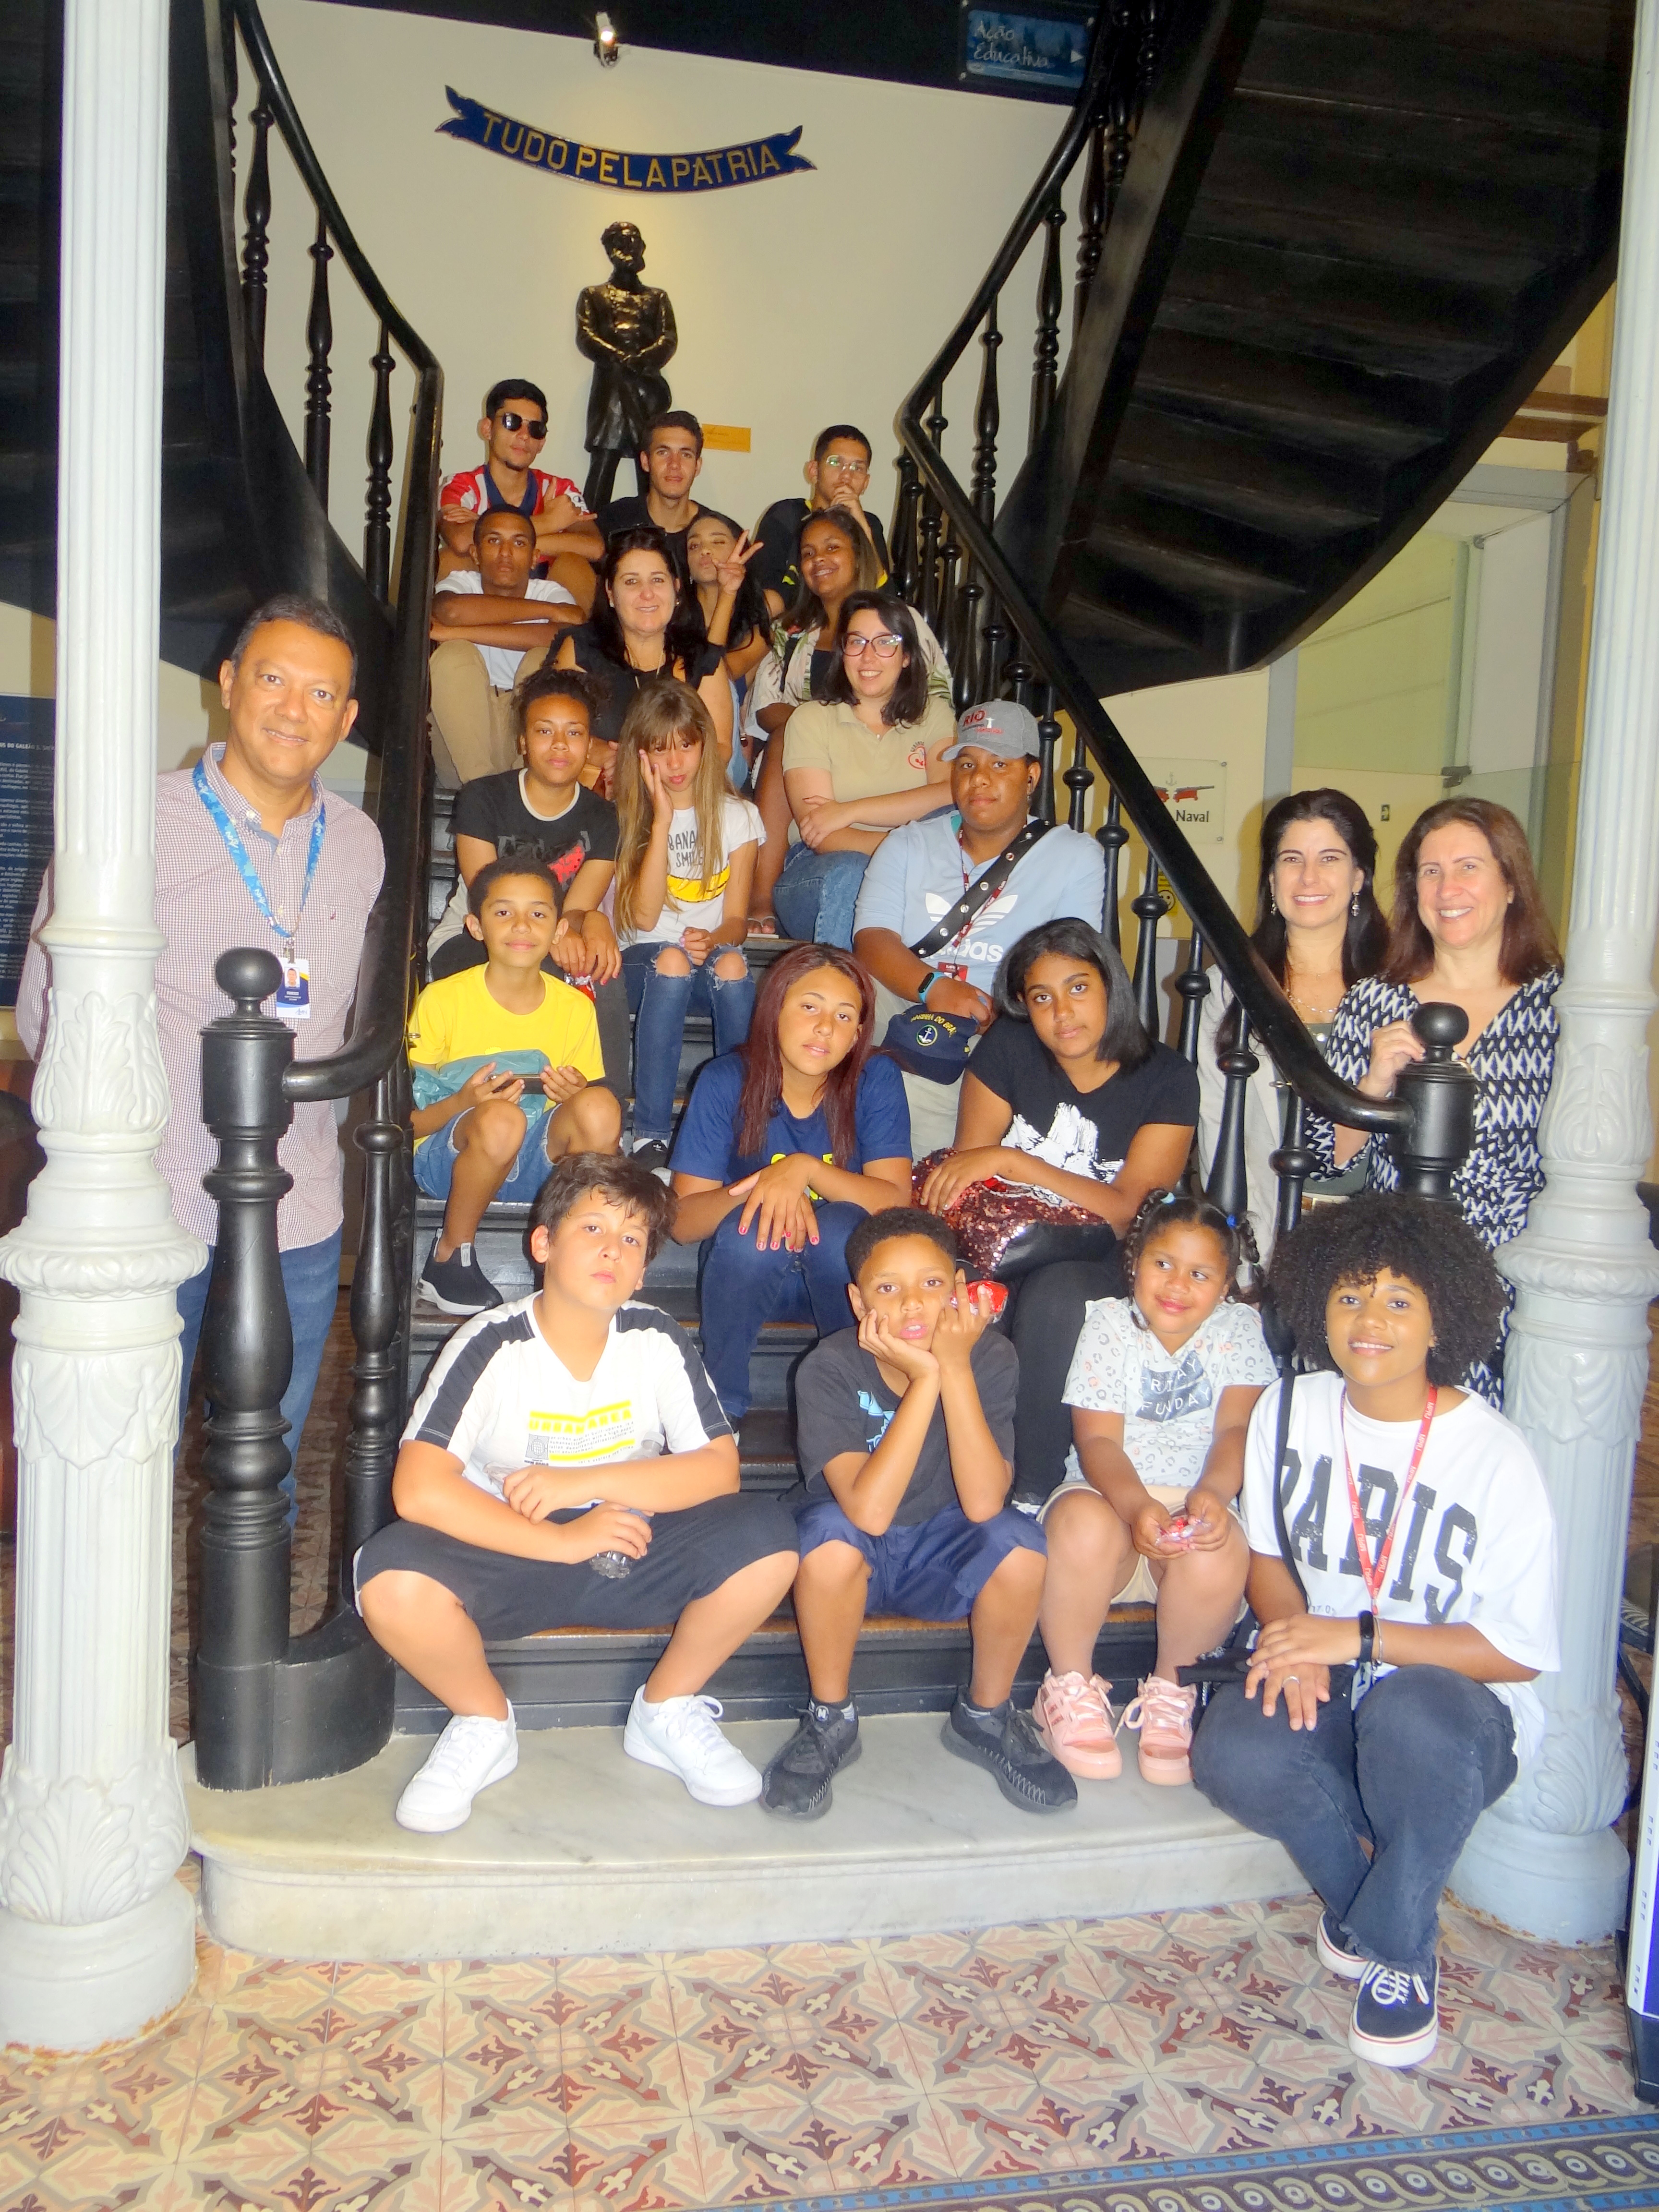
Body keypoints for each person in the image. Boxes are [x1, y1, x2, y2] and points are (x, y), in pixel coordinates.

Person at [16, 595, 383, 1504]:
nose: (293, 709)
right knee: (121, 1469)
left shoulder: (361, 844)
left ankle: (243, 1647)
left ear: (347, 718)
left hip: (298, 1214)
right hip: (154, 1210)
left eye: (321, 693)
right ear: (227, 684)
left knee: (269, 1470)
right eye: (272, 678)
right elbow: (46, 1018)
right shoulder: (128, 827)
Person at [1191, 1194, 1558, 2070]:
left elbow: (1517, 1650)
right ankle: (1373, 1892)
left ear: (1443, 1318)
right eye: (1351, 1295)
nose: (1369, 1321)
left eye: (1399, 1301)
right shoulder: (1290, 1408)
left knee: (1413, 1719)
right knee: (1232, 1753)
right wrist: (1289, 1634)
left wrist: (1353, 1637)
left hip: (1455, 1708)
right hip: (1334, 1668)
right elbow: (1270, 1554)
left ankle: (1400, 1951)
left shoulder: (1494, 1453)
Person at [355, 1155, 800, 1832]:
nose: (611, 1251)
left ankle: (667, 1708)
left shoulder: (654, 1336)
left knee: (768, 1540)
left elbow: (718, 1470)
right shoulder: (491, 1343)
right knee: (389, 1580)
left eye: (631, 1240)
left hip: (632, 1542)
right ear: (543, 1244)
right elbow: (419, 1487)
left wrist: (585, 1485)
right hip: (518, 1549)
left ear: (644, 1268)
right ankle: (483, 1721)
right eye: (592, 1228)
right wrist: (560, 1537)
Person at [764, 1208, 1073, 1820]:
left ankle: (985, 1716)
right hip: (857, 1552)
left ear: (959, 1289)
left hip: (942, 1549)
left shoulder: (990, 1358)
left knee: (1020, 1543)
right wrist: (924, 1380)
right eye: (888, 1288)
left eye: (932, 1285)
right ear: (857, 1301)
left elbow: (986, 1502)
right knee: (828, 1539)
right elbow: (869, 1513)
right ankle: (830, 1718)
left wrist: (951, 1368)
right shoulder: (828, 1368)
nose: (912, 1305)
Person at [921, 920, 1199, 1507]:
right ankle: (942, 1483)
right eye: (1042, 997)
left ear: (1111, 989)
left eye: (1078, 988)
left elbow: (1131, 1214)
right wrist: (994, 1168)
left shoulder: (1167, 1077)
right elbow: (966, 1180)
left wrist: (1016, 1161)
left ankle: (1031, 1491)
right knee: (959, 1288)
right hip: (1003, 1240)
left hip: (1101, 1253)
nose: (1062, 1013)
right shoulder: (1009, 1049)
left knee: (1059, 1296)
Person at [1309, 798, 1562, 1403]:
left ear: (1510, 884)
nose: (1448, 888)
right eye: (1430, 871)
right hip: (1399, 1275)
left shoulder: (1560, 1007)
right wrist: (1373, 1084)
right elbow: (1325, 1162)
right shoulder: (1374, 1001)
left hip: (1520, 1272)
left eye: (1469, 867)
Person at [1033, 1191, 1275, 1787]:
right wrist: (1139, 1504)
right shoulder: (1110, 1325)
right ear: (1136, 1262)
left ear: (1224, 1286)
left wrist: (1214, 1495)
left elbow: (1238, 1429)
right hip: (1110, 1498)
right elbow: (1099, 1446)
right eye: (1163, 1263)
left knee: (1220, 1550)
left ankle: (1173, 1691)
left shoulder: (1240, 1329)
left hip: (1194, 1500)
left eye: (1200, 1273)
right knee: (1082, 1527)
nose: (1176, 1284)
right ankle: (1067, 1683)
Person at [669, 946, 912, 1422]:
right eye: (809, 1007)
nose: (826, 1027)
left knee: (843, 1225)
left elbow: (894, 1202)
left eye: (845, 1016)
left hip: (843, 1279)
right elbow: (682, 1222)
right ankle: (723, 1408)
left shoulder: (875, 1078)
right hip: (751, 1268)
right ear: (774, 1007)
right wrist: (768, 1185)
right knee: (751, 1226)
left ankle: (857, 1403)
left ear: (858, 1033)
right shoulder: (725, 1079)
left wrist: (806, 1169)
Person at [854, 698, 1106, 1156]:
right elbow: (872, 939)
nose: (980, 778)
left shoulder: (1074, 855)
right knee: (848, 986)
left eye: (1000, 764)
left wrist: (1008, 1014)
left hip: (1006, 1021)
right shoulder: (907, 843)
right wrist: (935, 987)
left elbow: (1072, 963)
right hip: (913, 1006)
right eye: (967, 764)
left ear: (1031, 776)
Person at [410, 854, 621, 1313]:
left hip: (532, 1165)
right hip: (450, 1160)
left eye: (539, 914)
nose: (522, 926)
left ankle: (579, 1255)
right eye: (503, 912)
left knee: (600, 1105)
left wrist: (575, 1095)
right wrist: (464, 1102)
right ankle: (449, 1256)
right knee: (501, 1118)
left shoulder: (575, 1008)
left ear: (559, 930)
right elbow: (408, 1121)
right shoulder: (442, 999)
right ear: (475, 925)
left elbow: (585, 1118)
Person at [1197, 791, 1387, 1260]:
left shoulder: (1399, 986)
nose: (1309, 877)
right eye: (1291, 859)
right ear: (1271, 875)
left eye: (1330, 858)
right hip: (1270, 1239)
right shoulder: (1229, 989)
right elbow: (1216, 1133)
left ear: (1359, 875)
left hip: (1380, 1240)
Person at [427, 666, 629, 1094]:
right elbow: (490, 901)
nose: (559, 745)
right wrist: (563, 930)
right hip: (476, 936)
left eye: (574, 734)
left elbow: (577, 907)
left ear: (590, 744)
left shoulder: (604, 818)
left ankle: (604, 1106)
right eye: (544, 731)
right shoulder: (484, 797)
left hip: (550, 935)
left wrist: (592, 923)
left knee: (603, 967)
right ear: (523, 742)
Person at [612, 681, 763, 1172]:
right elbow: (643, 918)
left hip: (703, 961)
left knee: (736, 964)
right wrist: (661, 822)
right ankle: (650, 1135)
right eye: (660, 749)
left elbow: (737, 920)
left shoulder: (739, 817)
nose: (675, 763)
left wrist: (712, 940)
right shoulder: (629, 816)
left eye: (685, 745)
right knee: (672, 959)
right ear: (642, 755)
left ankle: (741, 1122)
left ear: (705, 746)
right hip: (640, 967)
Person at [773, 592, 957, 949]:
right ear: (843, 654)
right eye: (857, 642)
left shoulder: (934, 715)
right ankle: (841, 997)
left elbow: (949, 792)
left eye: (886, 642)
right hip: (818, 871)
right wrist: (908, 854)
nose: (868, 656)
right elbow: (820, 834)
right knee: (853, 873)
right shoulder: (812, 719)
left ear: (906, 657)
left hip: (911, 872)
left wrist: (851, 811)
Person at [555, 526, 734, 780]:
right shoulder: (581, 649)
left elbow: (721, 748)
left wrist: (647, 767)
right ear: (610, 594)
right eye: (631, 581)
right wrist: (608, 756)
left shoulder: (703, 659)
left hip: (679, 797)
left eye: (658, 580)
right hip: (598, 798)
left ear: (677, 588)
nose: (647, 593)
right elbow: (556, 728)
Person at [428, 510, 583, 786]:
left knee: (543, 658)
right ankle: (484, 796)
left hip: (526, 739)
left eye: (519, 543)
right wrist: (551, 612)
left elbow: (561, 636)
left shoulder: (550, 592)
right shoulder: (461, 583)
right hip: (464, 740)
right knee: (453, 656)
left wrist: (454, 633)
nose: (506, 553)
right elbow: (451, 611)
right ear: (475, 554)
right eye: (494, 541)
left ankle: (518, 790)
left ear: (535, 557)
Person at [439, 377, 602, 604]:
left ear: (542, 442)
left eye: (535, 429)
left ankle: (566, 641)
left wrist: (491, 537)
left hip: (544, 600)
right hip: (480, 602)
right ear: (487, 429)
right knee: (450, 559)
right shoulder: (461, 485)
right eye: (512, 422)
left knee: (574, 564)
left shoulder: (560, 489)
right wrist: (549, 523)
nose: (524, 436)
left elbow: (594, 547)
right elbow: (459, 539)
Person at [577, 226, 679, 514]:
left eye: (634, 241)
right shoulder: (592, 296)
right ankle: (588, 533)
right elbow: (586, 337)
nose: (630, 247)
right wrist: (617, 356)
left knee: (650, 465)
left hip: (646, 392)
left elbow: (668, 339)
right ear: (611, 251)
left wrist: (641, 359)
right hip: (610, 394)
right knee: (603, 465)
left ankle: (655, 533)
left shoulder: (657, 297)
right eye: (622, 243)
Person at [753, 424, 892, 614]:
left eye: (857, 468)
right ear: (814, 471)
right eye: (836, 463)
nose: (846, 476)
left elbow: (885, 600)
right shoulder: (785, 515)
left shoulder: (870, 524)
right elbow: (763, 589)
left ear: (866, 483)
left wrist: (863, 529)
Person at [596, 409, 707, 574]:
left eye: (686, 454)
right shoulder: (612, 522)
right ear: (646, 461)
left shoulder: (717, 534)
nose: (674, 464)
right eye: (663, 453)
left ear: (697, 466)